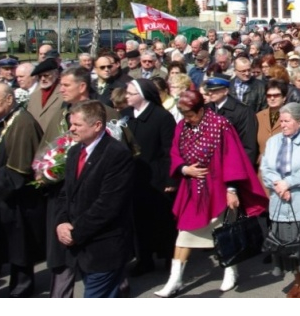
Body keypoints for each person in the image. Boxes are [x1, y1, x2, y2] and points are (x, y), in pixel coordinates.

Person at [154, 90, 268, 297]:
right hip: (192, 190)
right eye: (183, 114)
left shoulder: (220, 125)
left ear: (201, 109)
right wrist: (184, 169)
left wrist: (232, 189)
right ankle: (175, 280)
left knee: (224, 234)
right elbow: (174, 152)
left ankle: (230, 270)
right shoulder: (182, 126)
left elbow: (232, 157)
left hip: (219, 189)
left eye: (190, 114)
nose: (187, 118)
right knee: (184, 235)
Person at [55, 100, 136, 298]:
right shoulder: (75, 151)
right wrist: (62, 222)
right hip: (81, 247)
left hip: (104, 247)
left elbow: (108, 205)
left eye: (77, 125)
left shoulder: (116, 155)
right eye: (71, 124)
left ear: (97, 125)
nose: (71, 129)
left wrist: (76, 233)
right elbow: (66, 193)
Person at [0, 83, 44, 297]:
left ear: (8, 99)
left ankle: (20, 292)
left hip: (13, 198)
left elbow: (23, 165)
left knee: (18, 249)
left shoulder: (23, 122)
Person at [260, 103, 300, 298]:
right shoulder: (273, 142)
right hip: (279, 202)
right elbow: (266, 168)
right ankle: (296, 280)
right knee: (287, 246)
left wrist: (288, 183)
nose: (282, 124)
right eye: (281, 120)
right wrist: (279, 185)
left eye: (287, 121)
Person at [123, 79, 178, 276]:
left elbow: (169, 150)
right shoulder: (126, 116)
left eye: (130, 93)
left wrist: (171, 180)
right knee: (139, 220)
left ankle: (170, 258)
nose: (126, 96)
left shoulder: (162, 117)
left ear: (143, 95)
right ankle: (144, 259)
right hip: (135, 177)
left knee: (163, 220)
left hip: (157, 177)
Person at [204, 77, 260, 169]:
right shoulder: (206, 109)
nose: (210, 93)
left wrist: (242, 169)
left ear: (225, 91)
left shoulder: (242, 111)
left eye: (215, 90)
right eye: (209, 90)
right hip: (210, 164)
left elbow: (248, 145)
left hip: (233, 164)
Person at [255, 79, 289, 164]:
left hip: (285, 168)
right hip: (263, 170)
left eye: (276, 95)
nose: (272, 98)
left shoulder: (293, 116)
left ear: (284, 98)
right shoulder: (259, 116)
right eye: (269, 96)